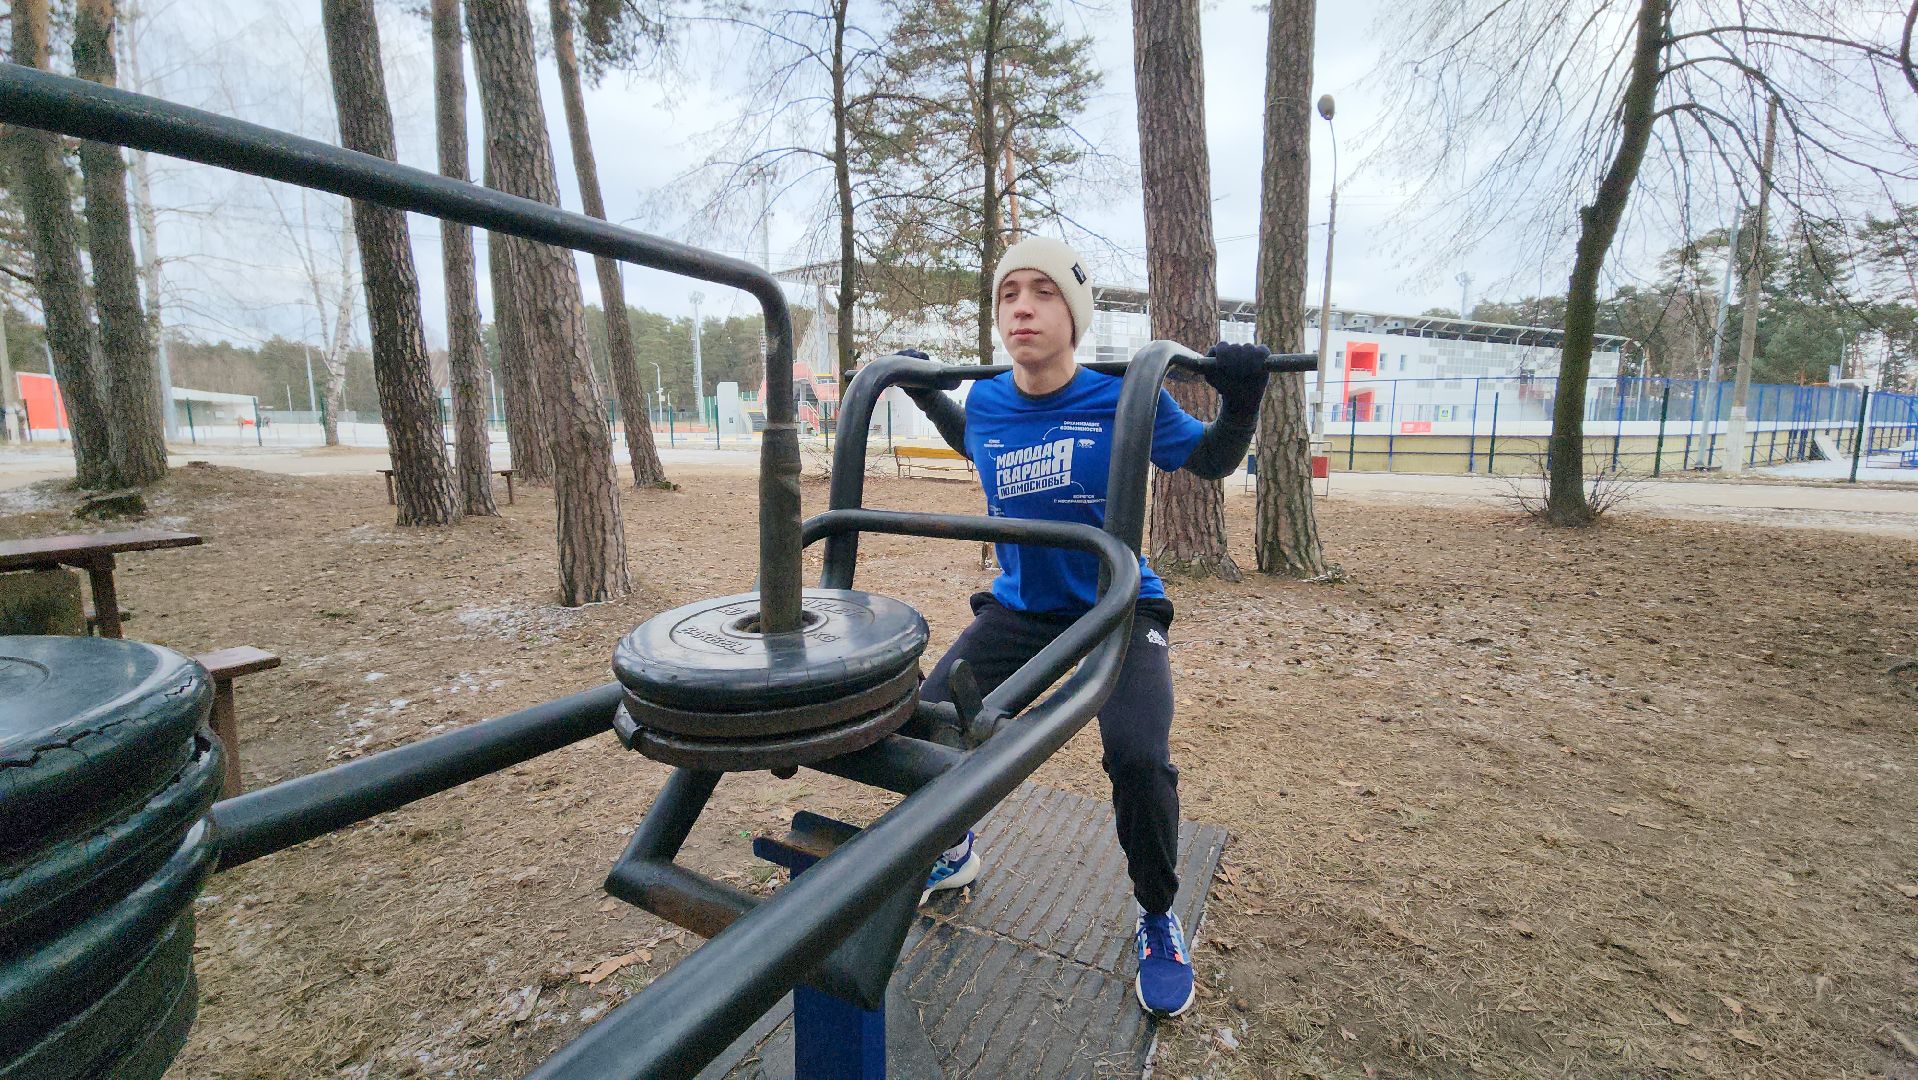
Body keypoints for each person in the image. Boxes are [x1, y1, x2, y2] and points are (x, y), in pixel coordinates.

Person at [901, 236, 1273, 1019]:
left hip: (1117, 606)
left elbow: (1208, 462)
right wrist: (926, 388)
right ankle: (956, 844)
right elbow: (968, 432)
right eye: (1009, 295)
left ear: (1073, 314)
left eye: (1042, 292)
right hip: (1021, 607)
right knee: (932, 725)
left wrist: (1241, 402)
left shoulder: (1123, 394)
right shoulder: (994, 401)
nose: (1023, 307)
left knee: (1138, 757)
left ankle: (1156, 914)